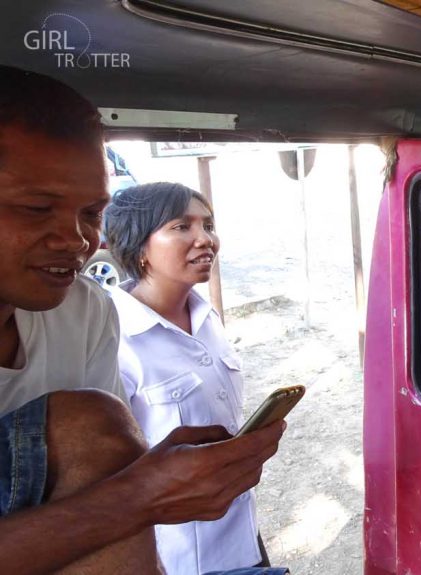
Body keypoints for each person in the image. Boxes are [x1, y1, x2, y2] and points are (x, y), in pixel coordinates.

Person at [0, 65, 287, 574]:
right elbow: (116, 484)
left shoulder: (84, 311)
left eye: (90, 214)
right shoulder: (119, 323)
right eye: (36, 207)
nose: (76, 240)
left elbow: (105, 467)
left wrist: (152, 475)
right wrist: (138, 495)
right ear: (142, 249)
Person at [103, 182, 267, 574]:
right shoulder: (114, 340)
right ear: (139, 247)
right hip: (176, 557)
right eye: (181, 227)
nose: (205, 239)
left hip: (242, 535)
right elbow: (111, 480)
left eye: (208, 225)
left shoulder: (205, 316)